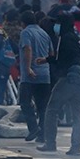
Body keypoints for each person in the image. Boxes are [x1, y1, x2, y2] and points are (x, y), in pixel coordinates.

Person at [36, 13, 80, 155]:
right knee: (77, 114)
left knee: (51, 110)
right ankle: (76, 147)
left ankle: (50, 143)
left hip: (68, 78)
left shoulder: (65, 39)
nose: (55, 26)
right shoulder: (76, 38)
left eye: (58, 23)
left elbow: (62, 60)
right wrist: (47, 60)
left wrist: (47, 60)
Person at [18, 11, 52, 143]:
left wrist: (28, 68)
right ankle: (42, 134)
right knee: (42, 106)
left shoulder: (26, 32)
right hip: (45, 74)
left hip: (30, 75)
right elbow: (51, 52)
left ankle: (33, 128)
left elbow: (28, 48)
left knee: (25, 102)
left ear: (23, 23)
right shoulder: (44, 33)